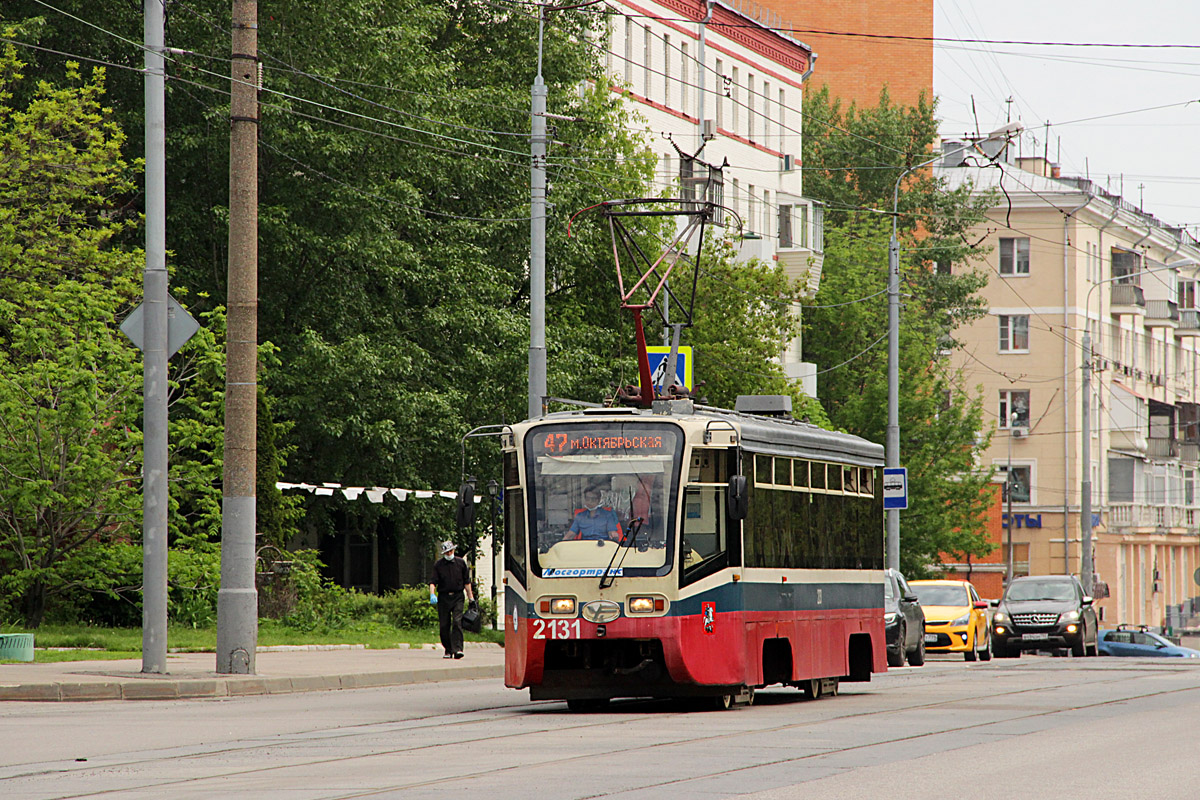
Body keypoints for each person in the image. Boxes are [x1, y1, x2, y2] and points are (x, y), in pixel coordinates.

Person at [428, 540, 474, 659]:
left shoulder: (460, 563)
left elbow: (467, 583)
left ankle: (458, 649)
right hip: (443, 597)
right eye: (447, 552)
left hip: (458, 596)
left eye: (451, 551)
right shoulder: (438, 565)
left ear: (454, 550)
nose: (449, 554)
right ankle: (448, 649)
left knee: (457, 621)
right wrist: (432, 594)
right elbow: (433, 582)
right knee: (444, 625)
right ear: (444, 553)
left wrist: (471, 599)